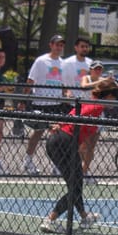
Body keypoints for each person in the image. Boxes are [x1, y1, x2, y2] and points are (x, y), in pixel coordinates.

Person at [38, 77, 118, 233]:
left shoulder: (90, 102)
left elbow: (73, 118)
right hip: (64, 143)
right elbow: (80, 128)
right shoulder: (96, 108)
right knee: (75, 186)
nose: (115, 100)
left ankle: (84, 216)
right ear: (108, 95)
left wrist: (59, 125)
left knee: (76, 184)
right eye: (114, 96)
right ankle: (50, 220)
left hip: (59, 141)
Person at [21, 34, 67, 175]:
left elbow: (64, 84)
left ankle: (56, 165)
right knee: (38, 132)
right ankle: (28, 162)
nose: (59, 47)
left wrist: (65, 96)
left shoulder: (63, 63)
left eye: (61, 45)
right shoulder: (41, 61)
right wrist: (23, 99)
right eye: (56, 44)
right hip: (41, 103)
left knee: (57, 135)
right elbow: (30, 80)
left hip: (56, 104)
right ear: (51, 45)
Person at [77, 59, 108, 177]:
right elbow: (84, 86)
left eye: (100, 69)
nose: (98, 71)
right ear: (91, 70)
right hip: (85, 113)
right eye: (96, 69)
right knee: (82, 145)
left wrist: (110, 82)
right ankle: (79, 168)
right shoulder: (86, 78)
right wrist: (102, 82)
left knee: (91, 146)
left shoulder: (103, 81)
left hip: (98, 115)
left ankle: (85, 171)